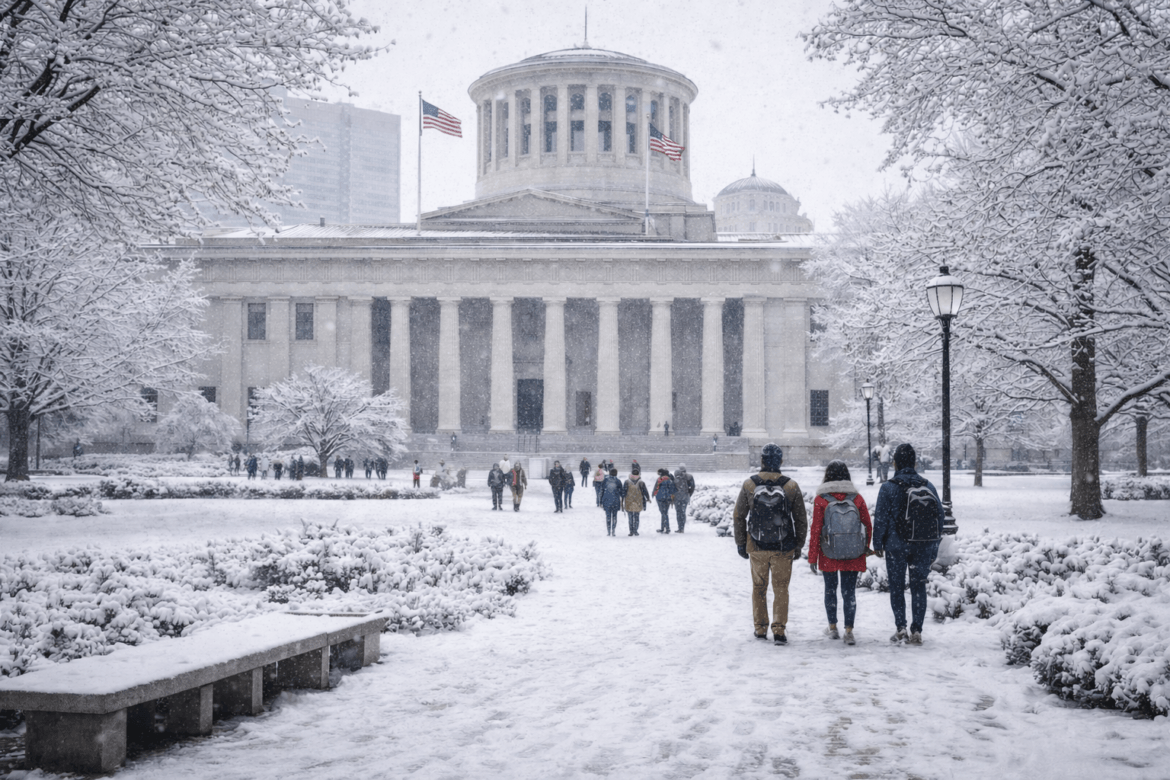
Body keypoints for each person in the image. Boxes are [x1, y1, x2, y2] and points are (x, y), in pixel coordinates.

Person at [732, 443, 808, 645]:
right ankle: (779, 630)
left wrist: (741, 542)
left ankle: (760, 628)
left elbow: (739, 516)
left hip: (756, 545)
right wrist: (798, 544)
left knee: (759, 587)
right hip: (783, 547)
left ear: (761, 460)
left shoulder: (750, 484)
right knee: (781, 588)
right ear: (780, 461)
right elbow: (800, 519)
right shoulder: (790, 485)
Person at [873, 444, 944, 645]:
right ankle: (917, 631)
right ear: (914, 463)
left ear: (894, 462)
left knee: (896, 586)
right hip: (922, 543)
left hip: (896, 545)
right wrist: (933, 546)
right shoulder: (927, 486)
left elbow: (881, 519)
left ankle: (901, 627)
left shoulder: (888, 487)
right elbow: (939, 516)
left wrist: (878, 543)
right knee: (918, 586)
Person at [808, 460, 873, 646]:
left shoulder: (822, 499)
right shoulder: (857, 498)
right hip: (853, 551)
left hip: (829, 551)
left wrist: (813, 557)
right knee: (849, 592)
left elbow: (816, 530)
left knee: (830, 590)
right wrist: (863, 547)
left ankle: (833, 627)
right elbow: (867, 525)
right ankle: (849, 631)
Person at [622, 467, 649, 536]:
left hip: (629, 501)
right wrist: (648, 498)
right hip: (638, 501)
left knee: (630, 517)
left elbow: (623, 492)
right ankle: (635, 530)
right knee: (637, 517)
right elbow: (645, 492)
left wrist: (622, 500)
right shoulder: (641, 482)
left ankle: (631, 531)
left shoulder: (627, 482)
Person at [600, 467, 625, 536]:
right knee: (614, 516)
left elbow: (601, 491)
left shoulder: (605, 480)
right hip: (615, 501)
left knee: (608, 516)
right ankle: (613, 530)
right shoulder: (618, 481)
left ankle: (608, 531)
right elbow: (622, 493)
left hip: (606, 501)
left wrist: (600, 501)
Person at [652, 468, 676, 534]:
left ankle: (667, 528)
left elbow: (655, 488)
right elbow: (673, 490)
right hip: (668, 498)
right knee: (664, 513)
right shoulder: (670, 480)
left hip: (660, 498)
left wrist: (653, 494)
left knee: (663, 513)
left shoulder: (659, 480)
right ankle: (663, 528)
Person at [673, 464, 695, 532]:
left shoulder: (676, 476)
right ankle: (682, 528)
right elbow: (692, 487)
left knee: (678, 512)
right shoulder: (689, 476)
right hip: (685, 496)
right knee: (683, 512)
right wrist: (689, 494)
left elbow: (673, 487)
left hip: (677, 497)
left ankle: (679, 527)